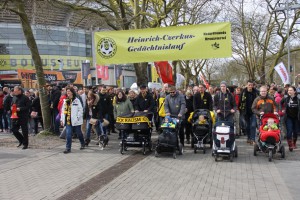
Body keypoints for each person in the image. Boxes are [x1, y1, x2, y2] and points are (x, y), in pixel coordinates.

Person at [60, 87, 85, 154]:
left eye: (69, 91)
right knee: (68, 134)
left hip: (76, 121)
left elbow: (80, 110)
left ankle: (82, 143)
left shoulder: (77, 100)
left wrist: (77, 117)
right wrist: (62, 119)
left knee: (79, 133)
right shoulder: (66, 101)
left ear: (72, 92)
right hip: (68, 121)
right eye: (67, 91)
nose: (68, 92)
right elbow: (63, 111)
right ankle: (68, 148)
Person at [280, 86, 300, 151]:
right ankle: (290, 145)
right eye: (288, 90)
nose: (289, 91)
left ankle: (294, 143)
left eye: (291, 90)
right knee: (289, 131)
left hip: (296, 118)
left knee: (295, 132)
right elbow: (280, 103)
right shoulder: (285, 98)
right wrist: (282, 110)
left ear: (294, 91)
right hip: (288, 117)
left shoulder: (298, 98)